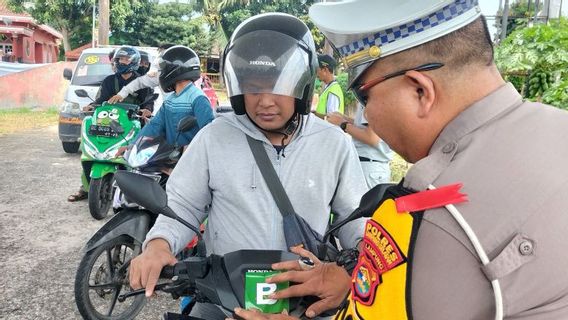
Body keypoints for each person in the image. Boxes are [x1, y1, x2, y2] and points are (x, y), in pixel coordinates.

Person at [233, 0, 568, 320]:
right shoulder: (557, 130)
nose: (368, 115)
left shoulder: (432, 217)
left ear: (420, 90)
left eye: (365, 96)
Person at [128, 12, 368, 319]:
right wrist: (159, 245)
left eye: (279, 87)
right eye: (253, 87)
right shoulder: (214, 137)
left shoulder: (334, 143)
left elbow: (354, 221)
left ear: (303, 85)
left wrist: (351, 268)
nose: (265, 101)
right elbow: (182, 205)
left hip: (305, 297)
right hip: (225, 298)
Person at [67, 46, 154, 202]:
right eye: (120, 59)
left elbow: (148, 102)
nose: (122, 62)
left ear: (134, 62)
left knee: (140, 156)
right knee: (94, 151)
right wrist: (92, 106)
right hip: (109, 123)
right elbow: (100, 101)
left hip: (131, 123)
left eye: (126, 59)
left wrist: (147, 110)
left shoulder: (142, 81)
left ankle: (138, 188)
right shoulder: (109, 81)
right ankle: (86, 186)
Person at [132, 45, 214, 148]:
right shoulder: (171, 99)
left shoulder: (198, 99)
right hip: (170, 157)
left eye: (163, 69)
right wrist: (132, 145)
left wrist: (189, 148)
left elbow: (209, 134)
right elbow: (154, 125)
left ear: (174, 69)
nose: (160, 73)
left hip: (191, 159)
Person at [326, 103, 393, 188]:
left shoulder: (372, 100)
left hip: (368, 167)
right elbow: (365, 126)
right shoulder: (381, 99)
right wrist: (344, 118)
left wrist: (342, 124)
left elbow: (371, 138)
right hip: (375, 167)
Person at [107, 43, 176, 111]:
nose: (160, 60)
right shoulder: (156, 77)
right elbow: (137, 84)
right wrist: (121, 95)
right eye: (160, 56)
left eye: (163, 56)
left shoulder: (185, 80)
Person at [313, 54, 344, 119]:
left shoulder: (333, 91)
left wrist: (313, 115)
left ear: (325, 70)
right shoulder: (330, 88)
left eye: (317, 69)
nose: (316, 72)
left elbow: (332, 119)